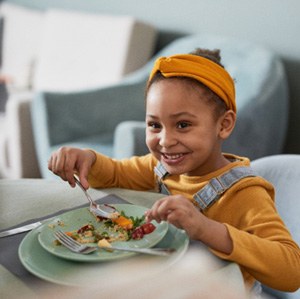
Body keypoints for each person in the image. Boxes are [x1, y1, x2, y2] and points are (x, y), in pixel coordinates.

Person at [48, 48, 300, 294]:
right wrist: (87, 159)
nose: (165, 141)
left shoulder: (245, 193)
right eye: (154, 125)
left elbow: (291, 272)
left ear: (223, 125)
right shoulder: (160, 168)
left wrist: (204, 228)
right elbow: (114, 173)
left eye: (183, 124)